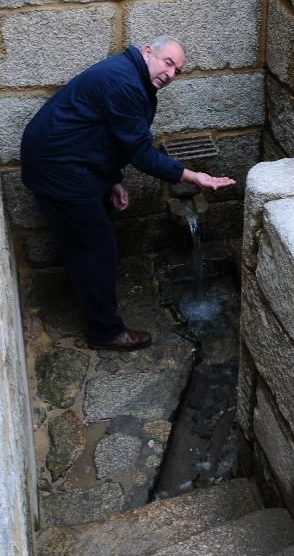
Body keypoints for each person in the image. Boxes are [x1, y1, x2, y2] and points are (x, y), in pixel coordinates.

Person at [20, 36, 235, 352]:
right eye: (168, 62)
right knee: (96, 248)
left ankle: (96, 300)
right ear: (148, 52)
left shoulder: (128, 74)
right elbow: (141, 153)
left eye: (178, 70)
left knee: (90, 239)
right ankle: (105, 331)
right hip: (60, 169)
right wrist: (194, 176)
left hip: (70, 160)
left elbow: (102, 134)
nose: (172, 74)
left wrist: (113, 180)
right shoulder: (125, 84)